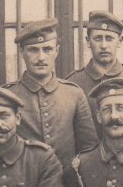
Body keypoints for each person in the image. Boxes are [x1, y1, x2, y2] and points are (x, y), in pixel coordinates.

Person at [6, 19, 99, 169]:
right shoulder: (9, 96)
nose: (41, 57)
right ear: (22, 52)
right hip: (23, 185)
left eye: (47, 49)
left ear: (57, 51)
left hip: (66, 185)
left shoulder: (74, 93)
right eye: (33, 50)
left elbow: (89, 148)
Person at [65, 10, 123, 124]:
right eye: (98, 38)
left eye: (109, 38)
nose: (104, 45)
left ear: (120, 41)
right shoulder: (73, 84)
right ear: (88, 41)